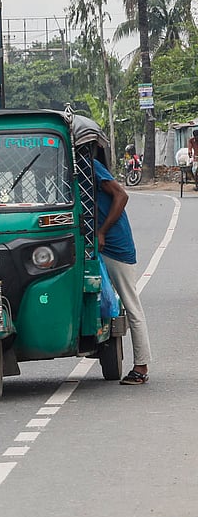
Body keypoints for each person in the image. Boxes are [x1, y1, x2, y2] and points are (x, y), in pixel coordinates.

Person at [93, 157, 152, 385]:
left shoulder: (93, 167)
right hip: (94, 245)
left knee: (131, 305)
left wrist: (102, 231)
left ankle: (141, 366)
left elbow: (121, 195)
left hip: (115, 246)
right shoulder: (66, 167)